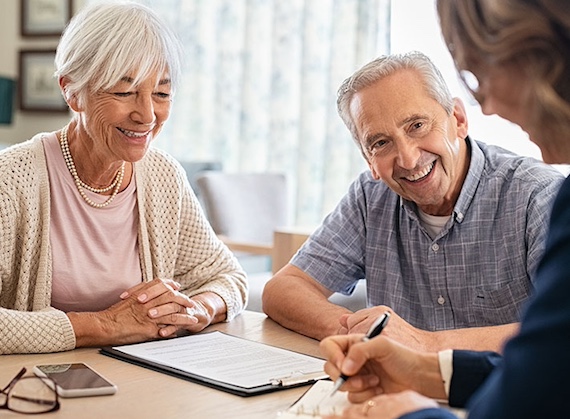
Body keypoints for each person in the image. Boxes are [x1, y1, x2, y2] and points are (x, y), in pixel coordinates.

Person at [320, 0, 570, 417]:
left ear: (539, 54)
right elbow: (549, 365)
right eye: (380, 142)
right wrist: (424, 369)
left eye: (480, 71)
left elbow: (533, 393)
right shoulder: (370, 194)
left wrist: (409, 413)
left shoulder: (544, 194)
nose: (486, 105)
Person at [262, 51, 564, 352]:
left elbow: (561, 328)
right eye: (381, 143)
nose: (408, 158)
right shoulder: (370, 197)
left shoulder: (538, 196)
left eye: (417, 125)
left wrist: (423, 344)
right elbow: (283, 289)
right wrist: (363, 333)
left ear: (457, 120)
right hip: (396, 395)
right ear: (370, 160)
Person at [0, 2, 247, 355]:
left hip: (138, 384)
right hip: (36, 392)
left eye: (161, 93)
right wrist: (107, 325)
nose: (147, 114)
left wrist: (197, 308)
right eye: (124, 92)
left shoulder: (163, 176)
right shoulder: (10, 182)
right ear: (72, 90)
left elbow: (229, 278)